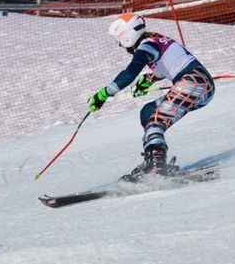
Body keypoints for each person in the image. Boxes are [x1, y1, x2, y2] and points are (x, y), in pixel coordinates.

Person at [87, 13, 215, 180]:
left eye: (118, 39)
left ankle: (156, 165)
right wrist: (149, 80)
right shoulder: (156, 40)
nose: (118, 45)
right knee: (148, 112)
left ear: (126, 36)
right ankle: (153, 159)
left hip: (193, 83)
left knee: (156, 121)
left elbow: (129, 73)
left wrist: (103, 94)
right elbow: (171, 63)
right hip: (199, 84)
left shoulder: (147, 45)